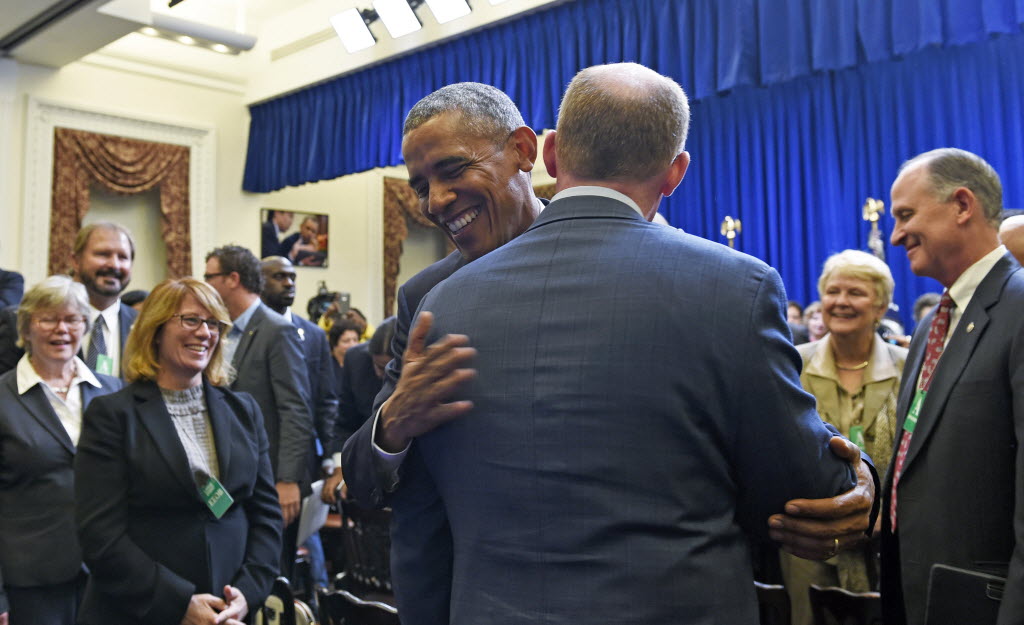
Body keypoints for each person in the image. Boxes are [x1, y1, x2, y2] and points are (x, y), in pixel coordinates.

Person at [367, 63, 864, 624]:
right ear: (674, 174)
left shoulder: (449, 303)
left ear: (543, 154)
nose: (434, 201)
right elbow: (791, 489)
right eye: (419, 186)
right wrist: (852, 473)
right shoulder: (729, 286)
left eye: (453, 169)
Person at [73, 278, 281, 625]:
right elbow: (100, 534)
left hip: (229, 610)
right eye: (190, 320)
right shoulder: (113, 415)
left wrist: (249, 592)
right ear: (155, 330)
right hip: (141, 610)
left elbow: (266, 515)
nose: (204, 332)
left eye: (213, 323)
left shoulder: (243, 410)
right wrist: (177, 603)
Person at [878, 148, 1024, 625]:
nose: (896, 234)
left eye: (905, 215)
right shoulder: (929, 327)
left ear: (962, 205)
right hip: (920, 595)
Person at [780, 250, 908, 625]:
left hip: (891, 538)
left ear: (881, 305)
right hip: (809, 541)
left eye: (856, 292)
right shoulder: (791, 364)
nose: (841, 302)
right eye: (832, 291)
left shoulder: (910, 364)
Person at [0, 276, 121, 625]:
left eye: (71, 319)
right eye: (47, 319)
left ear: (84, 324)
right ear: (26, 327)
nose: (61, 329)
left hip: (107, 575)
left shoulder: (113, 392)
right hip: (29, 584)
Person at [205, 245, 312, 578]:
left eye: (210, 277)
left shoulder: (276, 330)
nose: (205, 284)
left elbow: (296, 409)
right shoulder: (224, 330)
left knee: (272, 575)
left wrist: (288, 480)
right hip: (234, 479)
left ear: (232, 279)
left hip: (271, 483)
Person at [322, 317, 396, 504]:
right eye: (378, 366)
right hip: (364, 462)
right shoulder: (355, 359)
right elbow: (344, 423)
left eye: (390, 368)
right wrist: (342, 468)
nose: (382, 375)